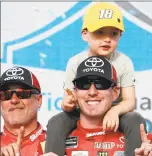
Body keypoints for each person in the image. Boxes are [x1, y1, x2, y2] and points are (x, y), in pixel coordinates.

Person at [45, 2, 146, 156]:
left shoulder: (124, 62)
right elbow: (67, 104)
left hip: (116, 111)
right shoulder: (75, 62)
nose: (107, 39)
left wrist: (114, 112)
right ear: (85, 34)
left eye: (113, 33)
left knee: (134, 119)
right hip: (82, 112)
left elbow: (129, 102)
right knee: (56, 121)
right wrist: (68, 104)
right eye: (100, 32)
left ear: (120, 35)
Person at [65, 56, 152, 156]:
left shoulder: (144, 143)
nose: (92, 92)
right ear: (75, 92)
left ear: (115, 92)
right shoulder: (55, 139)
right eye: (83, 84)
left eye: (101, 84)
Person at [0, 66, 46, 156]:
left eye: (22, 93)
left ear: (39, 100)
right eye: (6, 95)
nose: (14, 100)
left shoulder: (60, 144)